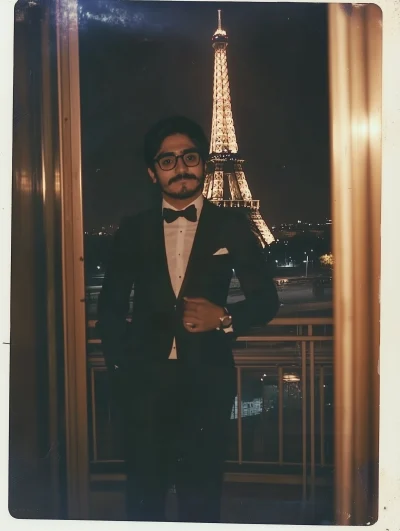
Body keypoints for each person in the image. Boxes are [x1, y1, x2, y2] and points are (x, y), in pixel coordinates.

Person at [97, 115, 279, 523]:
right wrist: (122, 372)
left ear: (203, 164)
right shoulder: (133, 230)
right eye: (167, 160)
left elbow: (266, 299)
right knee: (144, 492)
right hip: (144, 385)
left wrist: (225, 316)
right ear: (152, 172)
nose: (181, 167)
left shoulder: (231, 225)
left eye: (190, 157)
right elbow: (109, 310)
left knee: (202, 492)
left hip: (206, 383)